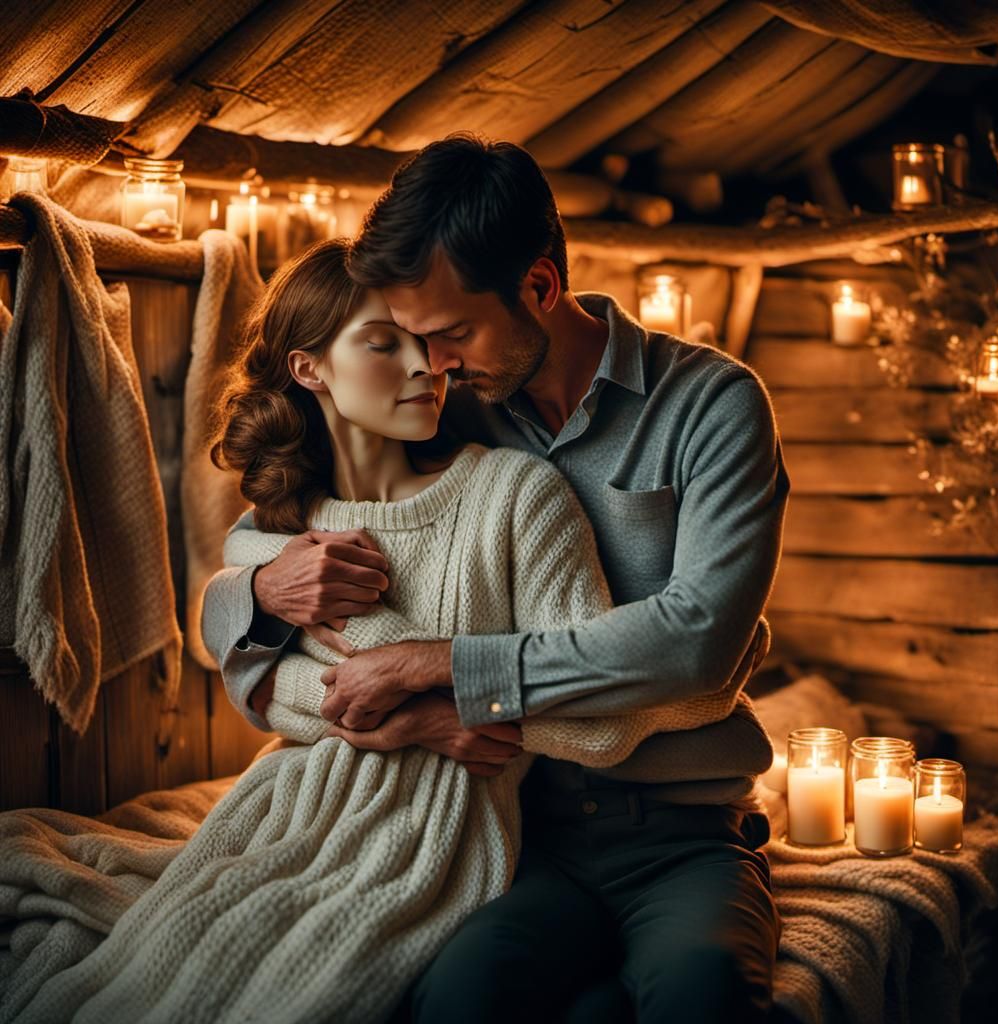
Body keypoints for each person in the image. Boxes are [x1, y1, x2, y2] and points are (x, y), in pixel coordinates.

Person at [204, 136, 790, 1022]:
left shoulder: (713, 406)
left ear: (541, 289)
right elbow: (254, 561)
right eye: (411, 341)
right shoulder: (453, 407)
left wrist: (441, 668)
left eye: (448, 335)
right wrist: (258, 592)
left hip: (684, 834)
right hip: (516, 834)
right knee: (456, 1001)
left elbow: (699, 643)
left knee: (701, 999)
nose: (430, 364)